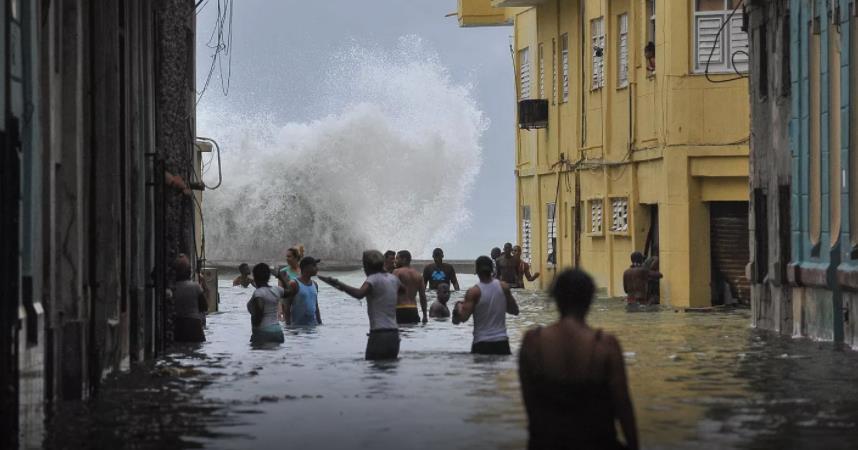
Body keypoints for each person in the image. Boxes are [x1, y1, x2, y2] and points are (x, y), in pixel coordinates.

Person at [518, 268, 638, 450]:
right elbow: (623, 406)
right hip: (597, 442)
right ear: (590, 299)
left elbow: (530, 405)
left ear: (556, 298)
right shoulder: (605, 346)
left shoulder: (533, 342)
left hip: (546, 443)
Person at [319, 250, 403, 360]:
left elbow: (359, 294)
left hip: (379, 334)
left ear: (367, 266)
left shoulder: (372, 279)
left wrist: (339, 284)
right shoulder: (393, 279)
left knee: (374, 372)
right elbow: (403, 290)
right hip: (394, 335)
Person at [452, 256, 519, 355]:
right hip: (502, 342)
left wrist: (457, 307)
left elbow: (462, 318)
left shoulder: (473, 292)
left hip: (481, 343)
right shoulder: (503, 287)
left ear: (477, 271)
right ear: (492, 270)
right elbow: (514, 311)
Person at [247, 263, 285, 344]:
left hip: (263, 332)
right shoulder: (277, 290)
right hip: (278, 331)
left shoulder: (258, 293)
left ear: (255, 277)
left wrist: (256, 331)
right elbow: (291, 291)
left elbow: (260, 312)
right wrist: (279, 276)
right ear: (269, 277)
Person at [173, 254, 207, 342]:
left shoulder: (172, 288)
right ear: (189, 271)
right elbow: (204, 306)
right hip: (194, 326)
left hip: (178, 326)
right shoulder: (195, 286)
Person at [283, 256, 323, 326]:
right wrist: (288, 327)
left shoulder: (315, 284)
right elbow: (287, 306)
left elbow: (316, 306)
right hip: (297, 328)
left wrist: (320, 323)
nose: (317, 268)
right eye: (314, 266)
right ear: (306, 268)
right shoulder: (294, 284)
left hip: (312, 326)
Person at [393, 250, 428, 324]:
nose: (395, 261)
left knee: (400, 334)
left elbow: (390, 292)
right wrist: (425, 315)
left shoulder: (397, 272)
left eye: (397, 258)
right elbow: (423, 296)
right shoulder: (418, 275)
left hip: (400, 309)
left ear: (404, 259)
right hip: (413, 310)